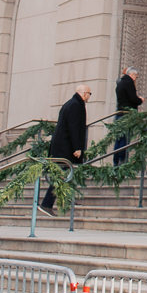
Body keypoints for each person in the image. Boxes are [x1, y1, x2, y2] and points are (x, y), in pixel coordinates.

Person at [40, 84, 90, 213]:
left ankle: (67, 199)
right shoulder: (75, 105)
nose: (89, 96)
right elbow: (74, 128)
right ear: (84, 93)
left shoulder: (71, 103)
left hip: (63, 147)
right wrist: (77, 147)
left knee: (67, 174)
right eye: (89, 93)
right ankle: (46, 204)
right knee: (61, 175)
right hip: (65, 148)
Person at [113, 66, 142, 173]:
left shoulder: (120, 83)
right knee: (124, 139)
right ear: (132, 74)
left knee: (119, 139)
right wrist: (140, 100)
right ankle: (121, 161)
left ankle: (116, 161)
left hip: (120, 113)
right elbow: (133, 99)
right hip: (127, 114)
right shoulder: (129, 83)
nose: (136, 79)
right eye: (136, 76)